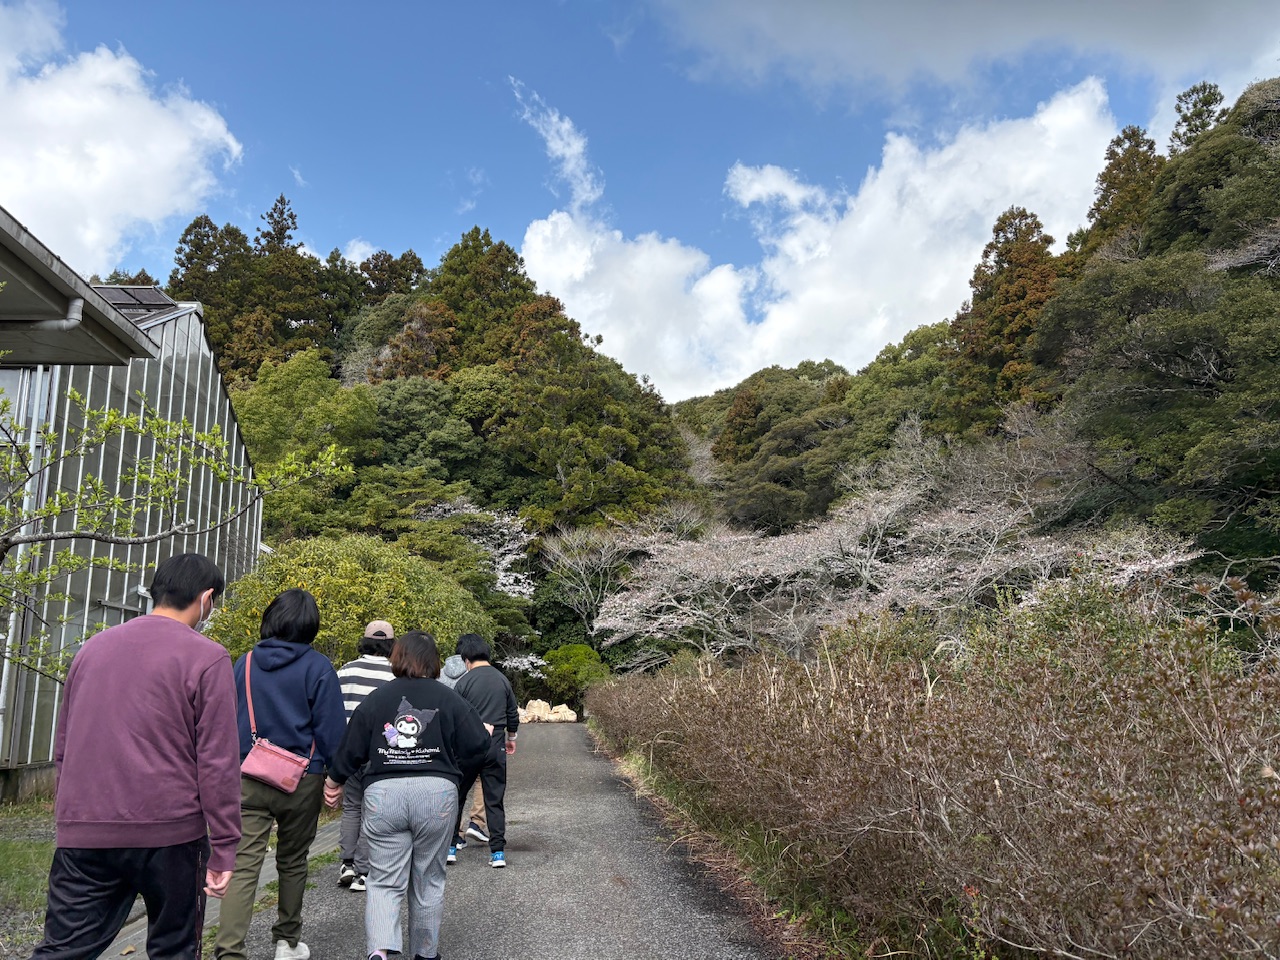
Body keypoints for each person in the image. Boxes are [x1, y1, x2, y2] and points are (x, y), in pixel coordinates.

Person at [31, 552, 240, 960]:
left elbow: (64, 746)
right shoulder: (207, 657)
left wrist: (72, 810)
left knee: (63, 949)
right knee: (173, 948)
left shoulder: (92, 649)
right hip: (171, 832)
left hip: (86, 827)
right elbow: (217, 762)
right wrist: (226, 845)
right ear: (207, 598)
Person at [324, 631, 489, 960]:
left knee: (383, 879)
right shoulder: (448, 697)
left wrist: (334, 781)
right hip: (436, 794)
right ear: (435, 662)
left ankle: (379, 951)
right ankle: (425, 954)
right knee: (428, 879)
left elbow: (351, 747)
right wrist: (452, 766)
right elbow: (480, 746)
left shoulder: (379, 698)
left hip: (384, 794)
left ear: (395, 658)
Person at [214, 589, 346, 960]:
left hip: (248, 775)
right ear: (310, 626)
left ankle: (228, 951)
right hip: (302, 779)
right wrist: (335, 778)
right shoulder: (319, 667)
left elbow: (229, 719)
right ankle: (287, 942)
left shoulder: (246, 662)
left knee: (243, 866)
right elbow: (332, 731)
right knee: (293, 860)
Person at [334, 620, 398, 892]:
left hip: (348, 751)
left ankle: (346, 863)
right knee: (371, 809)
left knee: (351, 806)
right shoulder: (395, 676)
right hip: (377, 752)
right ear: (391, 645)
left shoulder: (344, 672)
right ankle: (363, 871)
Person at [450, 633, 519, 868]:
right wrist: (512, 737)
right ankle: (498, 852)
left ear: (466, 658)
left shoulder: (463, 682)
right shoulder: (502, 680)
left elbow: (454, 718)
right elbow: (512, 713)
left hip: (468, 747)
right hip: (495, 745)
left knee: (457, 796)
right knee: (494, 799)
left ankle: (451, 847)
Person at [438, 651, 489, 852]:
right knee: (480, 778)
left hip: (447, 736)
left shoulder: (439, 674)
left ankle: (455, 834)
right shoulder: (473, 675)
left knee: (453, 782)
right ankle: (476, 822)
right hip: (470, 733)